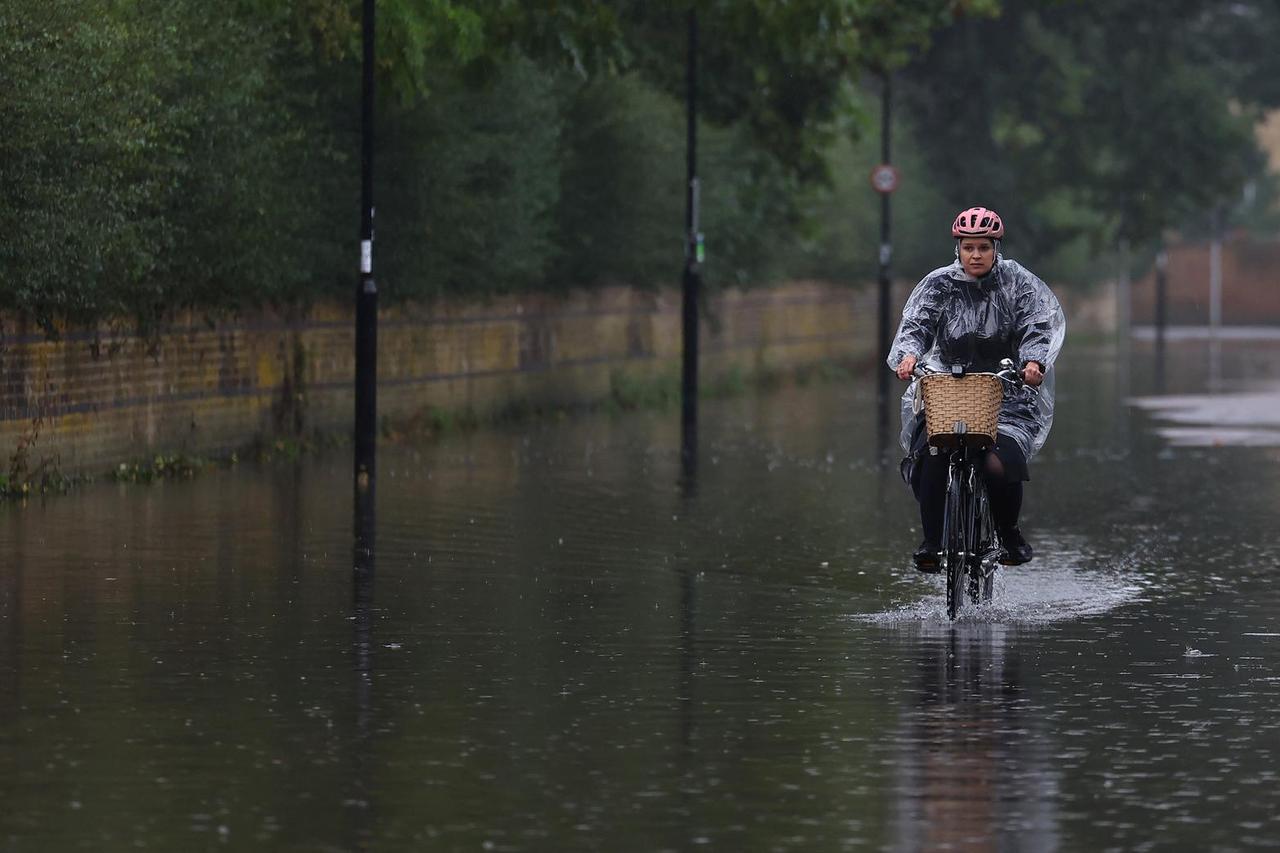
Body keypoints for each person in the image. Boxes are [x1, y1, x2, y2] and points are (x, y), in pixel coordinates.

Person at [887, 206, 1066, 571]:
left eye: (984, 247)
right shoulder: (939, 284)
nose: (976, 255)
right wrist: (908, 355)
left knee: (998, 461)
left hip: (1007, 390)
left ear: (996, 248)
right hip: (947, 389)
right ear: (958, 248)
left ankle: (1009, 533)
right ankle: (932, 542)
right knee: (931, 453)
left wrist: (1033, 363)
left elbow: (1036, 323)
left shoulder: (1017, 282)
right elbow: (917, 324)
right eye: (969, 247)